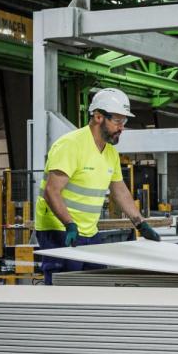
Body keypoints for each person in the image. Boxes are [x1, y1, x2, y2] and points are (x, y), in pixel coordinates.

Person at [35, 87, 160, 285]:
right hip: (60, 230)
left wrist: (140, 223)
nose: (122, 128)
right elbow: (52, 191)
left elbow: (120, 191)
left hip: (88, 230)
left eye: (124, 121)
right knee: (64, 286)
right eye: (118, 121)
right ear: (99, 116)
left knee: (95, 282)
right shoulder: (70, 145)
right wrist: (69, 224)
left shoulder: (110, 152)